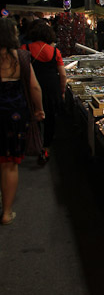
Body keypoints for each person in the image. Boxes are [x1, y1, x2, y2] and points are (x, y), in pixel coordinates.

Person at [0, 18, 45, 225]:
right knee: (10, 165)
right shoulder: (21, 57)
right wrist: (39, 109)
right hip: (14, 115)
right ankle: (7, 212)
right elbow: (34, 87)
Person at [22, 20, 67, 165]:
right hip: (51, 88)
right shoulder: (54, 51)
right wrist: (62, 91)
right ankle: (46, 148)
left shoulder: (24, 49)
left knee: (32, 117)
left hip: (30, 88)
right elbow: (63, 75)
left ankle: (33, 143)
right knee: (50, 119)